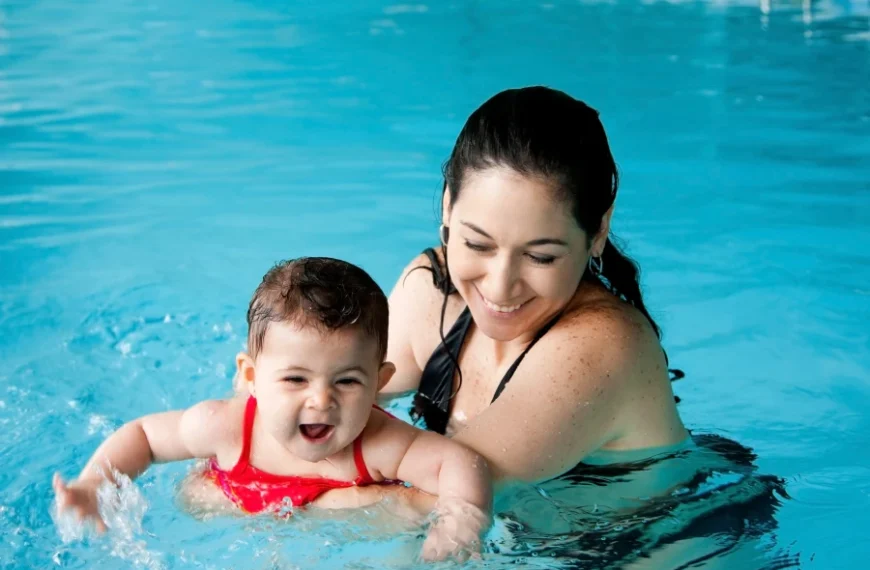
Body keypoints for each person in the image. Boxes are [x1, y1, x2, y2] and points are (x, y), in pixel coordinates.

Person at [53, 257, 492, 561]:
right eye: (296, 379)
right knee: (194, 499)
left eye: (347, 381)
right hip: (240, 493)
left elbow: (460, 461)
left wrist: (459, 523)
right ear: (251, 378)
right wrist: (95, 482)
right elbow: (145, 437)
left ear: (380, 381)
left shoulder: (377, 443)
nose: (321, 401)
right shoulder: (227, 427)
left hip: (303, 520)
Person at [382, 86, 690, 484]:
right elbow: (312, 405)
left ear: (598, 231)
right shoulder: (433, 291)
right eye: (477, 244)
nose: (500, 286)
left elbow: (443, 497)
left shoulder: (603, 347)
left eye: (540, 256)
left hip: (663, 543)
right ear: (447, 206)